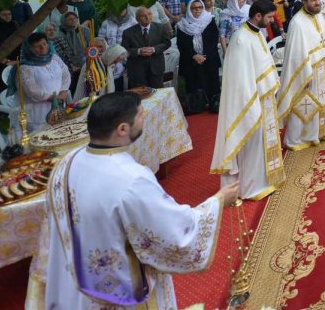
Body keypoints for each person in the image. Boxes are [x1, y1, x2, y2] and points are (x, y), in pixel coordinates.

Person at [28, 91, 238, 309]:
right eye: (140, 115)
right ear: (122, 129)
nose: (143, 118)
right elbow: (173, 233)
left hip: (71, 286)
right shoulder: (132, 180)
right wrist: (217, 201)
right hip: (117, 295)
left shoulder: (66, 162)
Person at [211, 0, 285, 200]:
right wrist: (252, 101)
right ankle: (249, 187)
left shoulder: (256, 33)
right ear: (258, 15)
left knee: (261, 143)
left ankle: (262, 180)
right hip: (250, 101)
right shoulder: (240, 39)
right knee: (251, 144)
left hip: (264, 99)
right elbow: (240, 79)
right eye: (269, 17)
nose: (272, 21)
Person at [278, 0, 325, 149]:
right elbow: (296, 54)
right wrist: (303, 75)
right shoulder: (297, 23)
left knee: (320, 101)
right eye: (313, 0)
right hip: (308, 72)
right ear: (304, 2)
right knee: (305, 104)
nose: (317, 3)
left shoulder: (318, 16)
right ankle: (298, 138)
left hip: (323, 68)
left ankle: (319, 132)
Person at [11, 32, 72, 133]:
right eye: (37, 46)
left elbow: (66, 75)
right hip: (38, 111)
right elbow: (32, 91)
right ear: (29, 49)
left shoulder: (54, 58)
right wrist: (53, 98)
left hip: (58, 104)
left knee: (60, 133)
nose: (42, 48)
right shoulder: (25, 68)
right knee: (42, 137)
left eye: (44, 44)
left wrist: (63, 92)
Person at [175, 0, 221, 112]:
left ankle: (213, 104)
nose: (198, 10)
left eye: (200, 7)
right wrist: (194, 55)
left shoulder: (209, 20)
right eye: (194, 8)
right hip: (191, 60)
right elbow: (182, 44)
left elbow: (213, 40)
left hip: (209, 58)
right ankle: (196, 106)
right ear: (189, 10)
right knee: (194, 84)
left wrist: (204, 56)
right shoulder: (182, 25)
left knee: (211, 83)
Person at [122, 6, 171, 89]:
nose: (147, 17)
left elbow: (167, 43)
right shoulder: (128, 32)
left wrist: (154, 49)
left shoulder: (160, 28)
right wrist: (138, 51)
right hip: (137, 71)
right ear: (137, 19)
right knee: (140, 96)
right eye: (143, 16)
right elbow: (124, 50)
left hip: (156, 69)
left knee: (157, 94)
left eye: (149, 14)